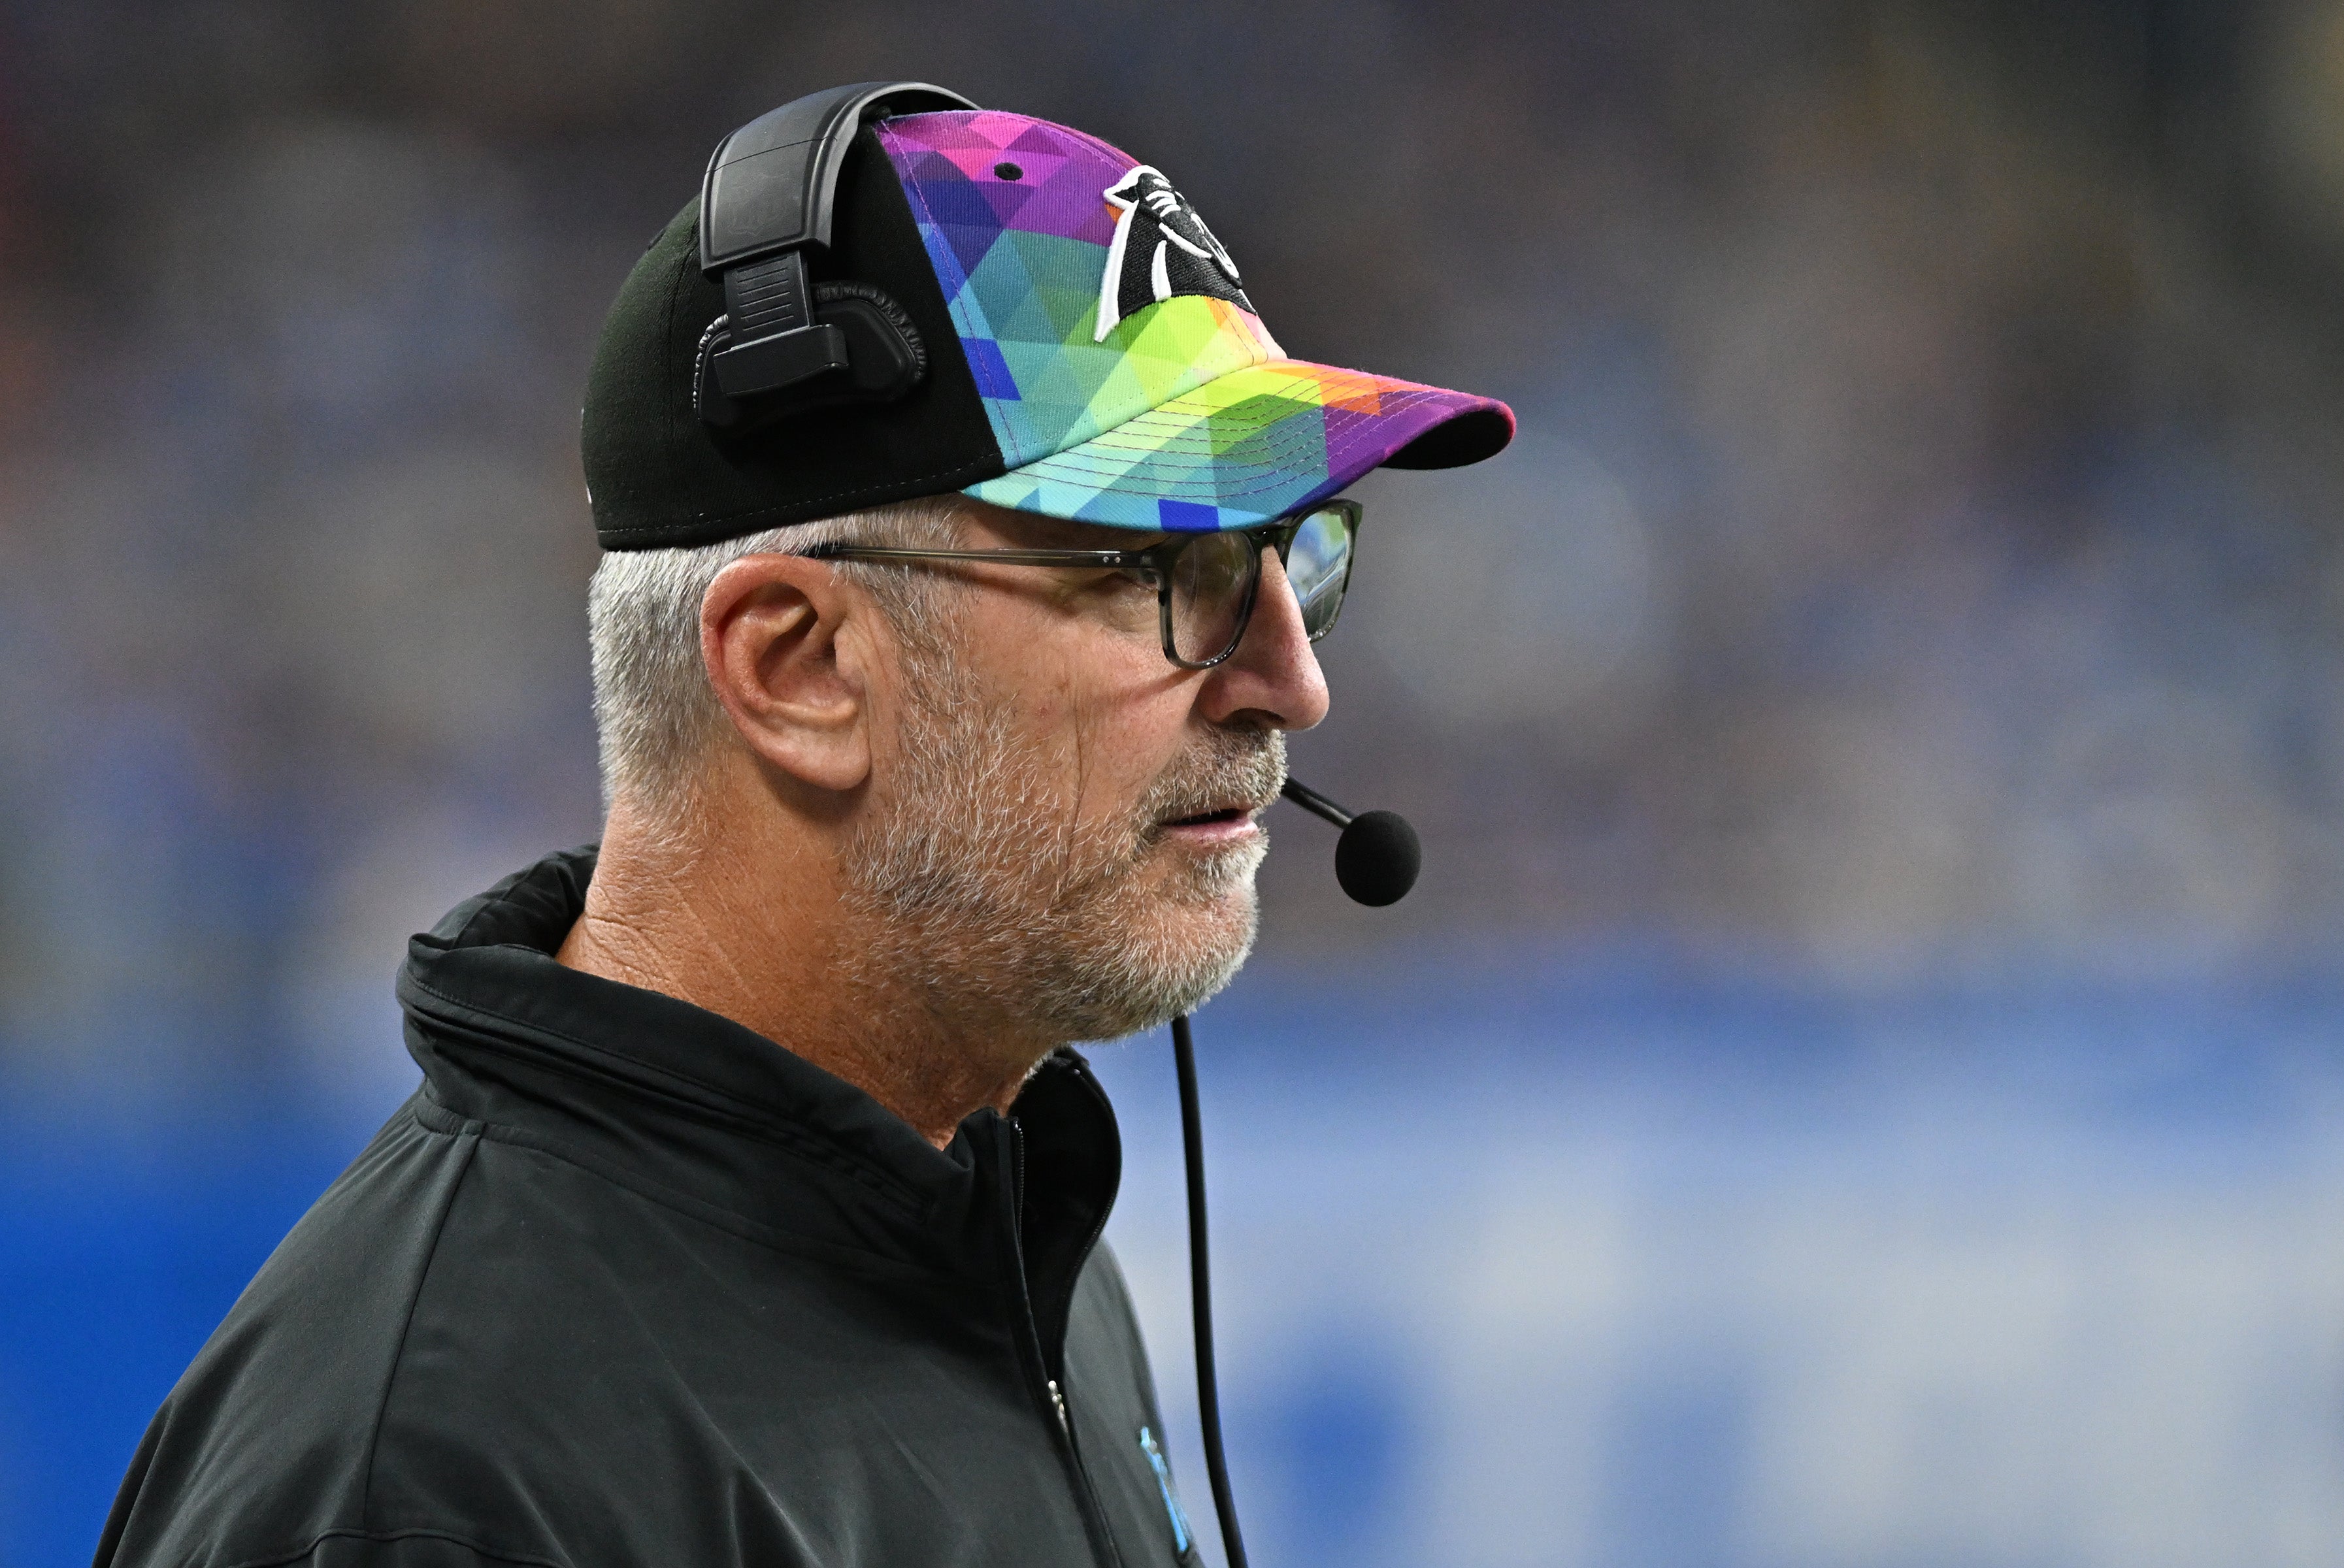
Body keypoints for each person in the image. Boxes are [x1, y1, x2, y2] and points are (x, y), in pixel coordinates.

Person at [94, 90, 1513, 1568]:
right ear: (800, 668)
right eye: (1166, 568)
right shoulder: (435, 1488)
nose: (1296, 682)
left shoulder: (1007, 1238)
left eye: (1292, 556)